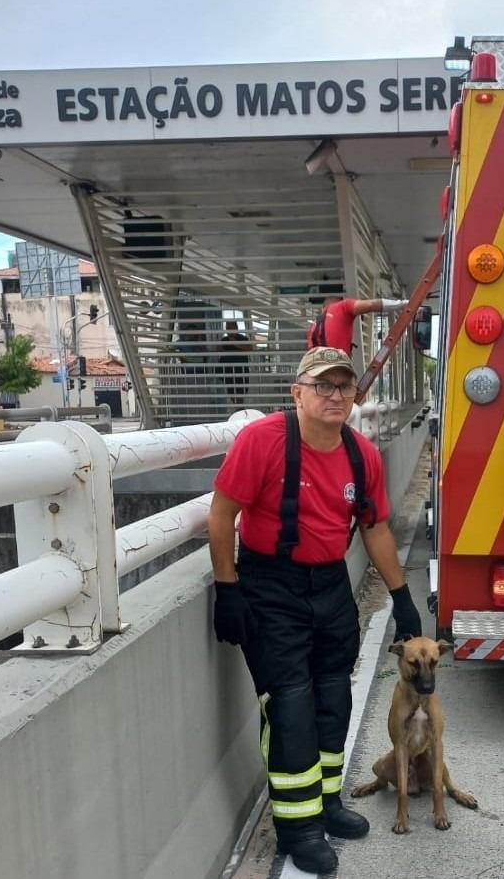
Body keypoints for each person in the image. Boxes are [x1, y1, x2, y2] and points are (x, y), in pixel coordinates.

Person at [208, 345, 422, 874]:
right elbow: (221, 515)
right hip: (269, 587)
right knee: (292, 707)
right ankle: (296, 828)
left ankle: (326, 804)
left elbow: (373, 529)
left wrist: (403, 598)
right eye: (322, 385)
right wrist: (228, 589)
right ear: (297, 392)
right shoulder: (263, 441)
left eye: (344, 386)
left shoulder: (361, 456)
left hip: (329, 587)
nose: (334, 395)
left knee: (333, 699)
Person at [306, 295, 408, 352]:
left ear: (322, 308)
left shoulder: (314, 326)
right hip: (337, 371)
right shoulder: (342, 306)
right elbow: (370, 304)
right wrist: (401, 304)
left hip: (317, 376)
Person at [219, 320, 251, 407]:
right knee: (231, 391)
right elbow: (219, 349)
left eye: (231, 327)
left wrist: (234, 342)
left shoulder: (243, 339)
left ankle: (240, 406)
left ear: (236, 328)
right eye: (227, 328)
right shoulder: (224, 340)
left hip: (241, 371)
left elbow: (248, 348)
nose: (229, 330)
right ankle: (237, 406)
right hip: (228, 371)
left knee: (241, 390)